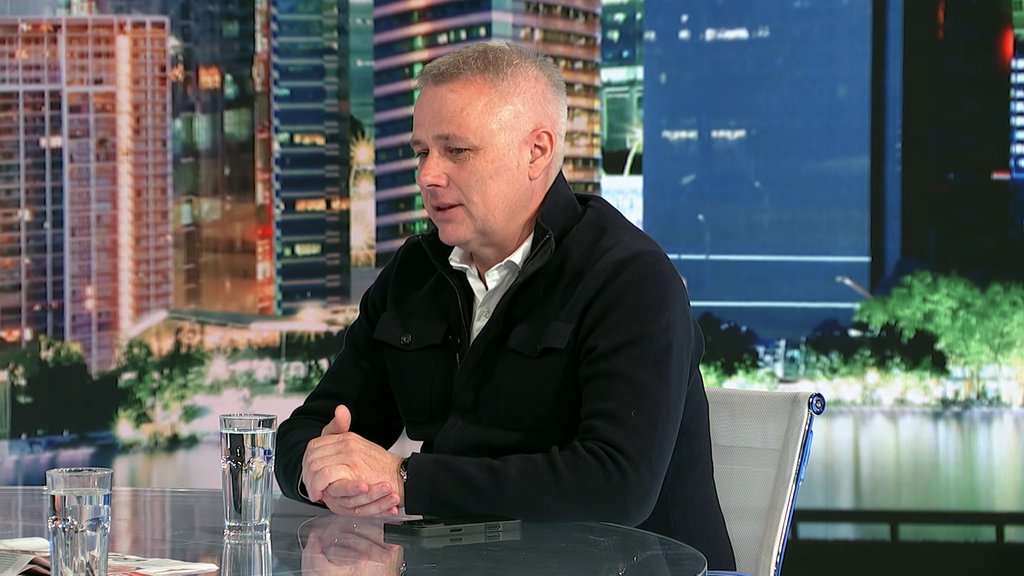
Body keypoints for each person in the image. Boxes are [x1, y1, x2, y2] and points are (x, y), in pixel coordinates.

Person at [275, 40, 736, 570]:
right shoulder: (416, 272)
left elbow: (616, 485)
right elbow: (309, 431)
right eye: (422, 152)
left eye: (456, 151)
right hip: (461, 564)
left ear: (536, 151)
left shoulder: (631, 278)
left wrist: (404, 479)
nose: (428, 175)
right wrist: (319, 469)